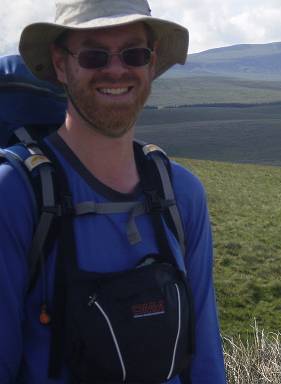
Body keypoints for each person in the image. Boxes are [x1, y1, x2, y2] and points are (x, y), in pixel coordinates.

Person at [0, 0, 226, 383]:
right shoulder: (17, 195)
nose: (116, 68)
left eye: (134, 53)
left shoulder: (182, 194)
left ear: (151, 63)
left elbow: (205, 361)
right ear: (60, 64)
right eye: (93, 55)